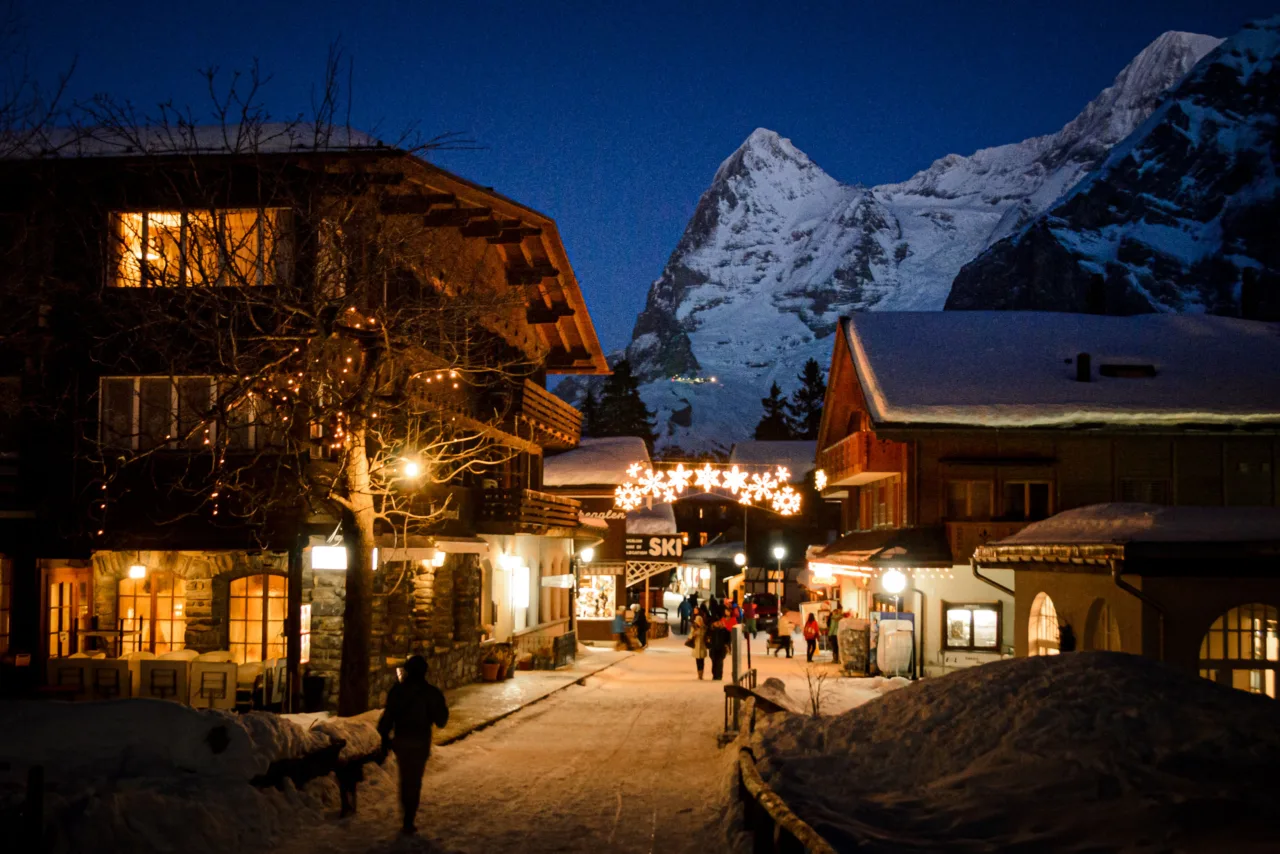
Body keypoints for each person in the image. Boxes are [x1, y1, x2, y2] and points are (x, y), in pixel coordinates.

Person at [377, 655, 450, 835]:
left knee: (405, 777)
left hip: (402, 740)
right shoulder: (431, 693)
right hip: (420, 741)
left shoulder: (397, 691)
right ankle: (409, 818)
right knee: (414, 780)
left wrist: (384, 738)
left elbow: (387, 718)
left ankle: (407, 816)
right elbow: (441, 720)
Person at [690, 609, 708, 679]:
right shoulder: (693, 627)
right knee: (698, 661)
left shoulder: (704, 628)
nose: (700, 622)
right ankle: (699, 674)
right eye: (698, 621)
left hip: (702, 646)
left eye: (700, 621)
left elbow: (707, 636)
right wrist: (693, 635)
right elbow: (690, 636)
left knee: (702, 661)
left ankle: (701, 674)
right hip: (696, 646)